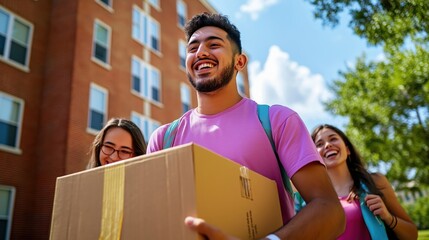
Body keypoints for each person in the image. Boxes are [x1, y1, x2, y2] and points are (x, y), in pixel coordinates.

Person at [147, 12, 345, 239]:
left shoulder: (277, 121)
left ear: (239, 62)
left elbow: (330, 211)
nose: (200, 52)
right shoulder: (163, 139)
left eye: (213, 44)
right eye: (192, 49)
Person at [311, 124, 417, 240]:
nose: (328, 145)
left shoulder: (376, 182)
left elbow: (412, 235)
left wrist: (388, 217)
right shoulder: (312, 198)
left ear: (347, 149)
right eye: (319, 144)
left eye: (333, 139)